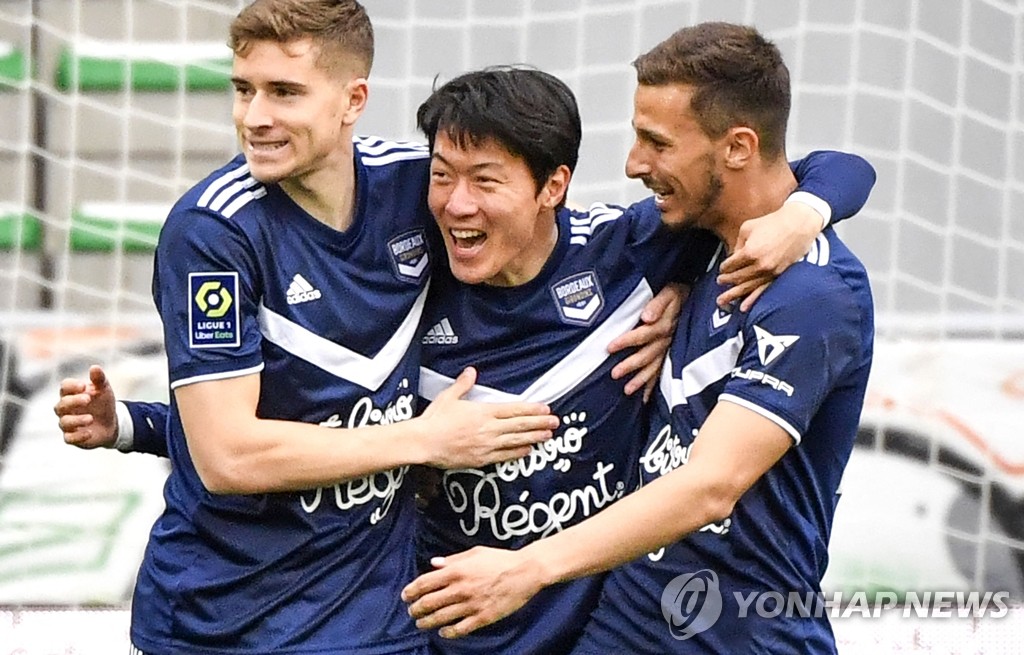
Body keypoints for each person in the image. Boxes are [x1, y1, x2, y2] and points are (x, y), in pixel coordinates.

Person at [59, 64, 873, 655]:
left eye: (485, 180)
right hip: (438, 634)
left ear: (554, 186)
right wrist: (137, 424)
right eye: (442, 176)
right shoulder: (411, 290)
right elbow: (297, 423)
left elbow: (804, 171)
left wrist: (805, 212)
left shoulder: (631, 256)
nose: (455, 203)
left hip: (584, 626)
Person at [86, 1, 565, 653]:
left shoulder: (418, 185)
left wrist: (674, 284)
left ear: (352, 100)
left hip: (379, 622)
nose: (255, 116)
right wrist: (423, 439)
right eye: (244, 90)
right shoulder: (213, 232)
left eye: (284, 92)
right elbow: (227, 455)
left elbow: (547, 227)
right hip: (225, 625)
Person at [401, 23, 875, 655]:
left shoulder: (809, 292)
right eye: (444, 176)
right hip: (625, 622)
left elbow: (711, 486)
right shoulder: (699, 249)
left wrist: (527, 568)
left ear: (737, 148)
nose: (632, 164)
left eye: (656, 142)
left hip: (739, 634)